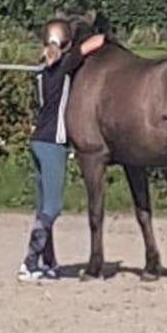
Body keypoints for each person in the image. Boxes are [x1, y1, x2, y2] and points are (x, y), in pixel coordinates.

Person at [18, 19, 105, 282]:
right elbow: (96, 42)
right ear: (66, 44)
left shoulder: (40, 69)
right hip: (54, 142)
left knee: (42, 206)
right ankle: (29, 262)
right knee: (53, 207)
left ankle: (48, 261)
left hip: (38, 140)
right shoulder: (64, 66)